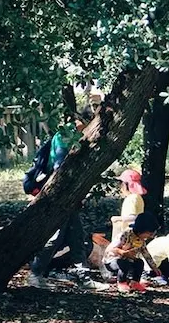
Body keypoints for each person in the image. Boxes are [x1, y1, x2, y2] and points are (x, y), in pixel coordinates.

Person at [26, 119, 109, 291]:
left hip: (70, 200)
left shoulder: (76, 137)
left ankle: (83, 278)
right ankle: (35, 274)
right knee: (56, 236)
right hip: (60, 199)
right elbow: (59, 168)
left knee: (77, 235)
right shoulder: (64, 136)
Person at [103, 212, 160, 293]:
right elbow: (111, 249)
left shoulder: (141, 240)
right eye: (149, 234)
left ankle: (135, 282)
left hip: (129, 259)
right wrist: (122, 252)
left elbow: (146, 254)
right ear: (142, 230)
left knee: (139, 262)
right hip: (112, 260)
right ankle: (122, 282)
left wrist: (154, 267)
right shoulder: (125, 234)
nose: (150, 236)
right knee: (123, 263)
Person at [111, 169, 147, 241]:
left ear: (125, 185)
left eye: (121, 184)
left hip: (129, 236)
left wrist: (117, 219)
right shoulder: (137, 197)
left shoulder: (132, 198)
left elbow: (134, 217)